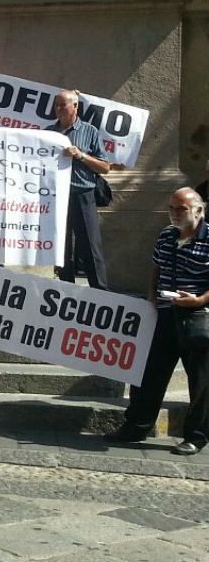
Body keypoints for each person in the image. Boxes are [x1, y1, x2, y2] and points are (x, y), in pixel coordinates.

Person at [104, 188, 209, 455]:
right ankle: (136, 426)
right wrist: (151, 295)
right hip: (164, 313)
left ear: (199, 211)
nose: (174, 214)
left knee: (201, 381)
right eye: (171, 208)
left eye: (181, 209)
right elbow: (156, 267)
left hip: (197, 316)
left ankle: (196, 437)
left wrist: (199, 300)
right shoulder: (166, 235)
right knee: (147, 373)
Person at [46, 89, 110, 289]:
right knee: (61, 247)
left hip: (83, 195)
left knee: (90, 247)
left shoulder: (90, 131)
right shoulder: (48, 133)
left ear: (75, 107)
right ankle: (65, 290)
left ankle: (100, 292)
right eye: (56, 105)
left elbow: (105, 167)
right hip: (57, 198)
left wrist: (81, 156)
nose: (59, 109)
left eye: (63, 105)